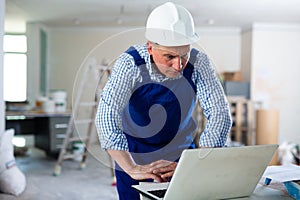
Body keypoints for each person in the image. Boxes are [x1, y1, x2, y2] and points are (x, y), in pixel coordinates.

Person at [95, 2, 232, 200]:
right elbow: (107, 114)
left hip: (181, 154)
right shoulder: (130, 63)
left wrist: (195, 166)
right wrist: (132, 168)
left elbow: (219, 113)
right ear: (150, 48)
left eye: (184, 55)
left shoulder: (199, 62)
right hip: (135, 155)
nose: (179, 65)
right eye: (169, 56)